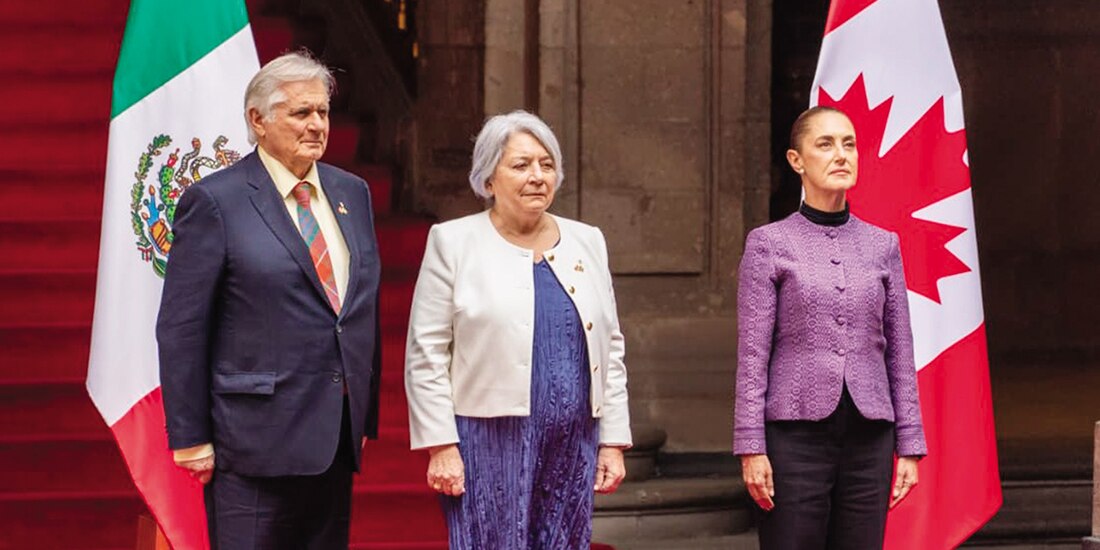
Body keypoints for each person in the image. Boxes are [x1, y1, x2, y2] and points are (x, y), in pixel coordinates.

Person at [156, 52, 382, 549]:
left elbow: (359, 308)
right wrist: (190, 436)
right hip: (251, 443)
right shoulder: (215, 201)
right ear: (258, 120)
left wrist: (361, 412)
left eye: (323, 112)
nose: (317, 125)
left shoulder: (352, 192)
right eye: (301, 113)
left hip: (334, 436)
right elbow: (182, 326)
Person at [404, 110, 632, 549]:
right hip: (486, 439)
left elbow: (611, 347)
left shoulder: (588, 240)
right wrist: (440, 445)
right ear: (489, 179)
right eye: (521, 165)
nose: (537, 176)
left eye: (547, 165)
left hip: (572, 439)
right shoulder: (453, 242)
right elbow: (426, 352)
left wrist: (613, 441)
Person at [733, 106, 927, 549]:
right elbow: (752, 355)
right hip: (793, 436)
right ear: (796, 160)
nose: (841, 154)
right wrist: (750, 446)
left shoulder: (883, 245)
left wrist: (910, 445)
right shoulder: (768, 243)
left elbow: (900, 350)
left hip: (870, 437)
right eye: (825, 144)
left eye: (849, 144)